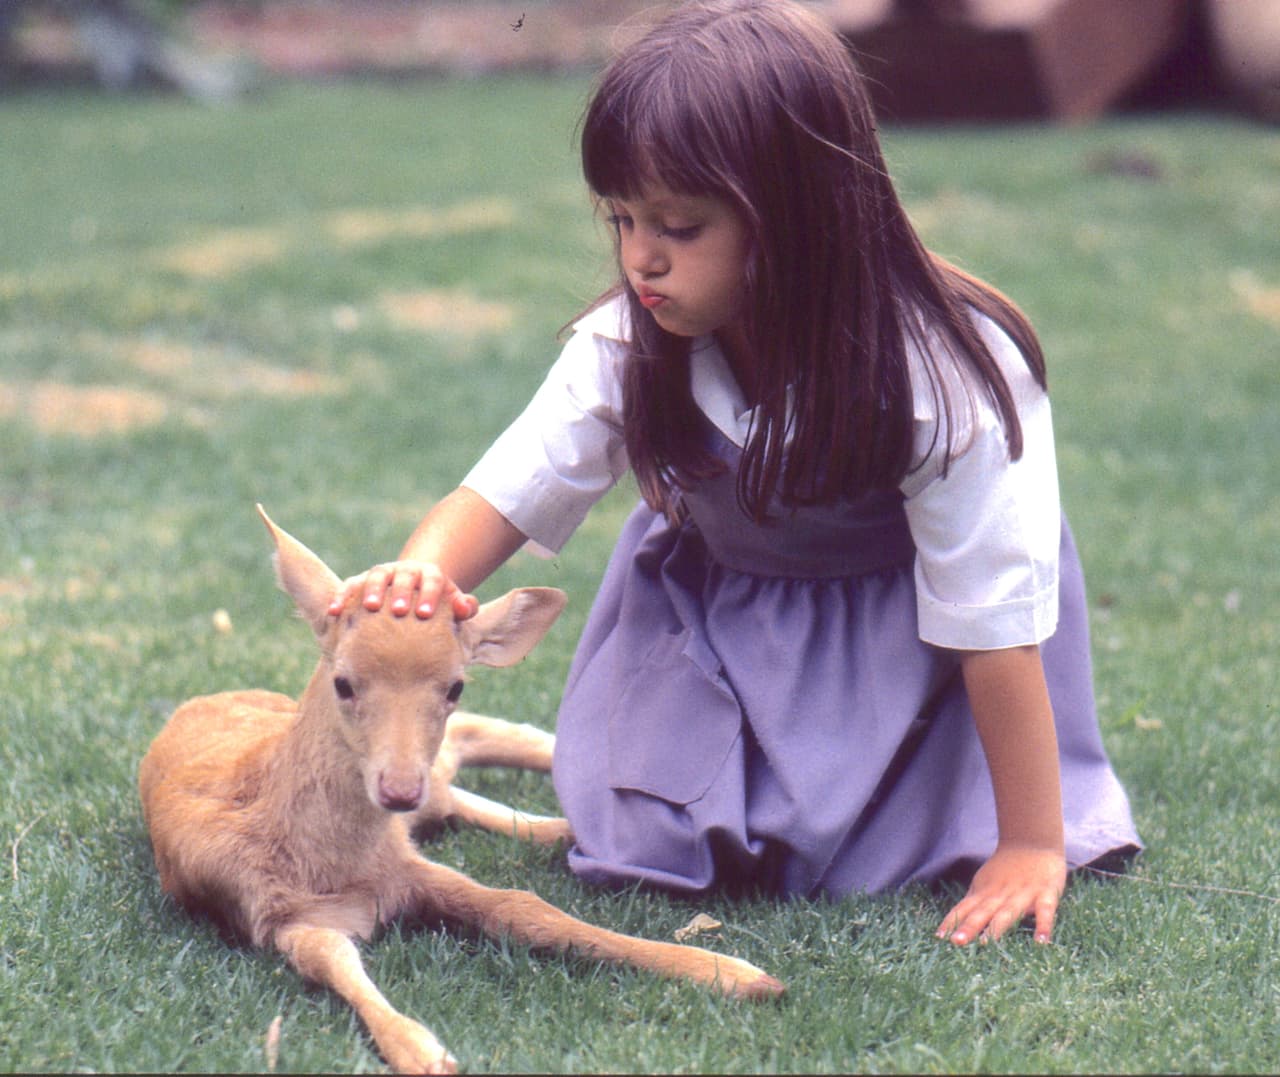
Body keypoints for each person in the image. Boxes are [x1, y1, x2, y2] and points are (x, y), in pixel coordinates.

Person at [332, 0, 1140, 946]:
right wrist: (426, 574)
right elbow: (510, 485)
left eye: (678, 223)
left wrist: (1031, 842)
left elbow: (993, 621)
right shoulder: (630, 342)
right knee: (651, 836)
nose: (640, 256)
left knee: (871, 840)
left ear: (797, 221)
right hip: (721, 619)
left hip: (915, 646)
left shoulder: (946, 372)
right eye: (623, 217)